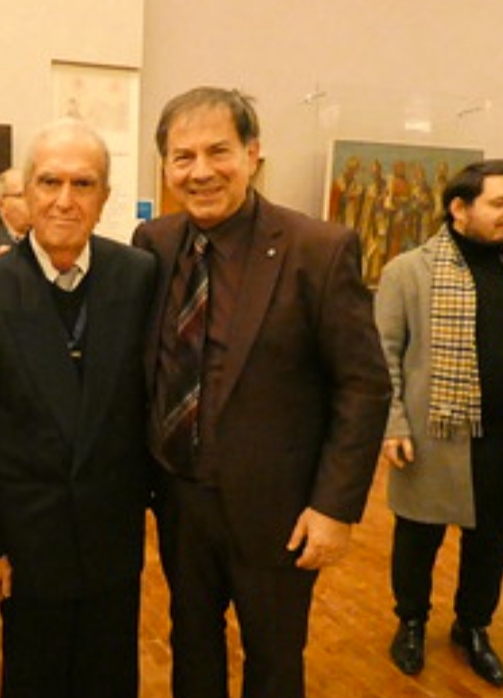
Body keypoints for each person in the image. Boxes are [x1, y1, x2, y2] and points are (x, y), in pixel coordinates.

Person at [132, 87, 391, 698]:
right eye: (183, 156)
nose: (200, 171)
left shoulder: (318, 250)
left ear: (252, 153)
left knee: (274, 659)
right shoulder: (155, 243)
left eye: (218, 151)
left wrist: (334, 507)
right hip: (179, 499)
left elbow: (363, 385)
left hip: (278, 511)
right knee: (191, 642)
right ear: (165, 167)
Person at [0, 119, 155, 698]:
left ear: (104, 197)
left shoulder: (138, 277)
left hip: (112, 537)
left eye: (83, 184)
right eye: (49, 182)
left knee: (110, 677)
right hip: (29, 540)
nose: (65, 200)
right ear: (26, 191)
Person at [375, 158, 503, 688]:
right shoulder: (408, 272)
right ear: (459, 208)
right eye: (500, 202)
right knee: (418, 537)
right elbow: (383, 357)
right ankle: (411, 623)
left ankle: (473, 627)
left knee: (492, 542)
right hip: (433, 438)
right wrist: (393, 424)